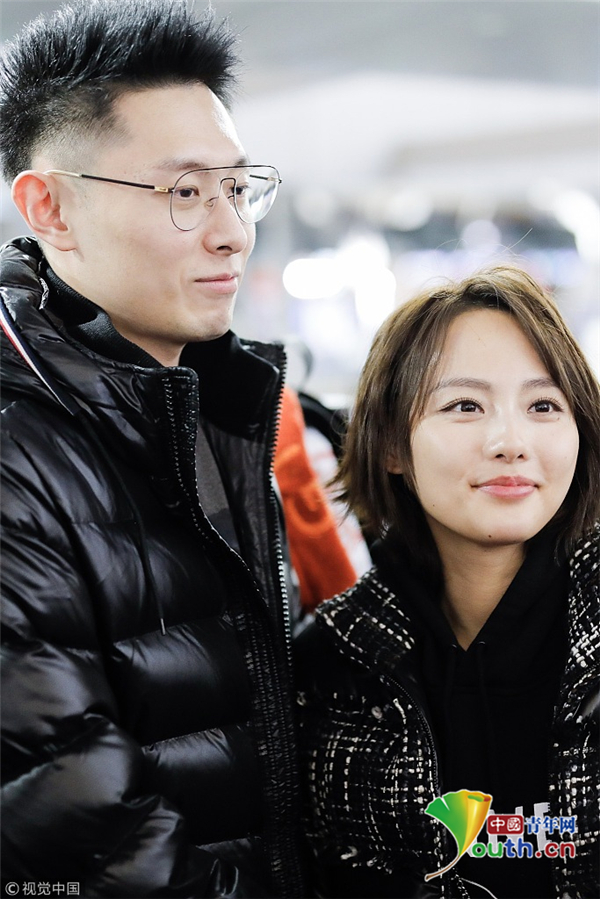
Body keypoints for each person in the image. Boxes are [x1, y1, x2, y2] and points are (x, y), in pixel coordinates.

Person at [0, 1, 306, 895]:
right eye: (184, 192)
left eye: (237, 187)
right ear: (50, 208)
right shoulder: (19, 454)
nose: (232, 229)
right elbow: (80, 827)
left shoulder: (209, 405)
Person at [295, 266, 599, 899]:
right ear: (391, 445)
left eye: (544, 406)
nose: (510, 442)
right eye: (464, 406)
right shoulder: (332, 661)